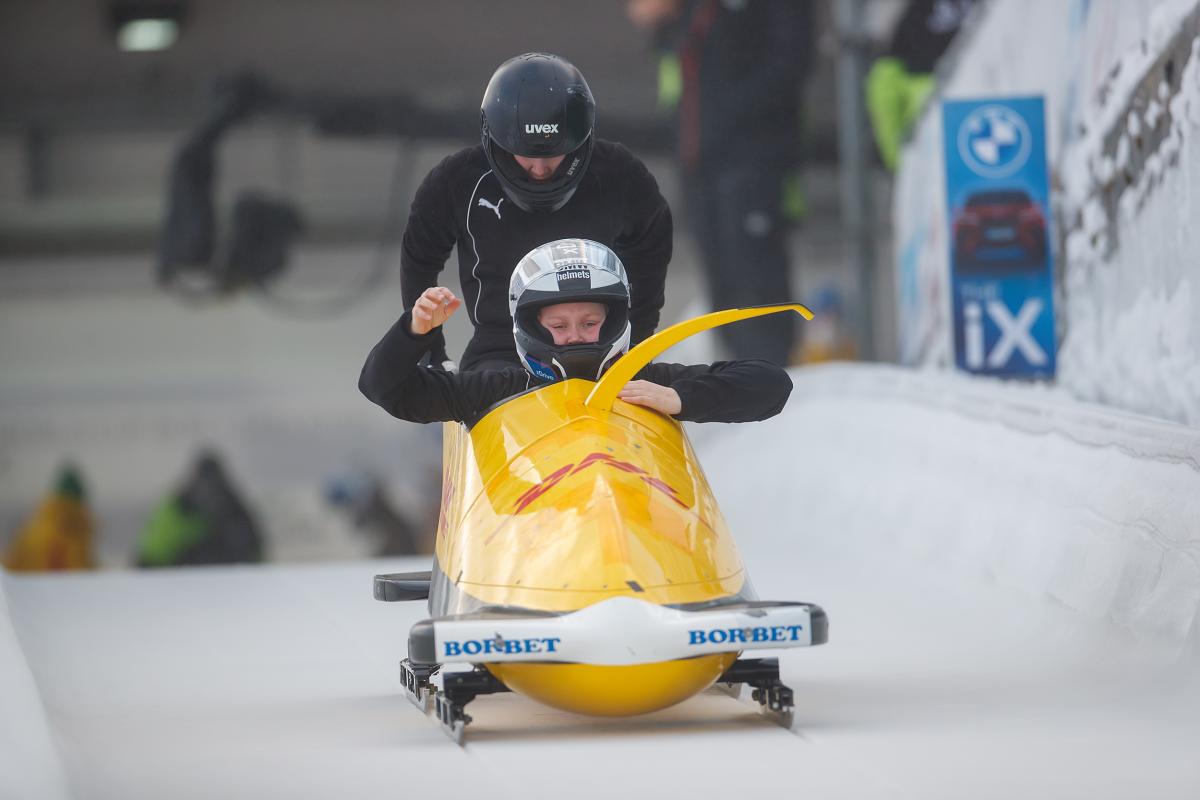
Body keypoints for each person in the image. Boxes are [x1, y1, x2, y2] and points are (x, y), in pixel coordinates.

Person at [400, 53, 673, 372]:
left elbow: (650, 248)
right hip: (499, 355)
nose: (540, 169)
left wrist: (636, 346)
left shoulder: (618, 173)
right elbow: (420, 256)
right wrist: (430, 353)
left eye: (555, 155)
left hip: (600, 351)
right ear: (498, 141)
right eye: (525, 155)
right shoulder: (458, 180)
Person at [360, 239, 791, 425]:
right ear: (532, 328)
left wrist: (681, 399)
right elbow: (383, 387)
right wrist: (413, 332)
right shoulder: (494, 389)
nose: (575, 338)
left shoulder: (644, 385)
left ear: (613, 320)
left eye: (590, 323)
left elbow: (772, 384)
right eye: (559, 326)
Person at [627, 0, 815, 366]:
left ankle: (771, 379)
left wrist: (732, 120)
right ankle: (741, 379)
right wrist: (660, 21)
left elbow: (791, 61)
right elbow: (681, 57)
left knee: (757, 277)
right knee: (721, 279)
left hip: (755, 159)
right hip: (699, 160)